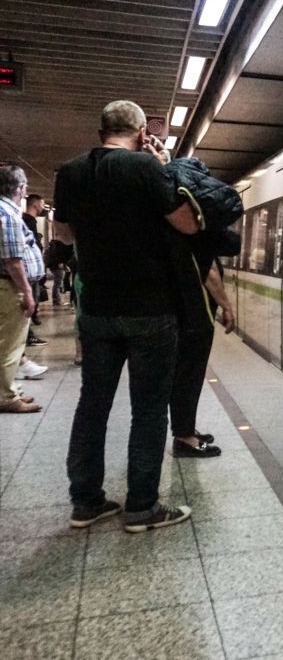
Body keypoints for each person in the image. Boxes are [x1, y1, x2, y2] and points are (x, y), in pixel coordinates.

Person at [54, 100, 199, 532]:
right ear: (141, 133)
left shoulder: (70, 171)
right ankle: (141, 507)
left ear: (101, 131)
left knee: (92, 404)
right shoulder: (147, 167)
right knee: (149, 409)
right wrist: (165, 168)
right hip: (150, 308)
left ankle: (86, 502)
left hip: (97, 307)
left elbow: (64, 235)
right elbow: (188, 224)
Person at [169, 253, 235, 458]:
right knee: (189, 376)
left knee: (187, 374)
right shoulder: (195, 239)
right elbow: (210, 273)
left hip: (188, 316)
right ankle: (185, 438)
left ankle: (186, 430)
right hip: (194, 318)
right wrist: (226, 306)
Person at [0, 164, 45, 413]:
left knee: (8, 342)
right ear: (19, 188)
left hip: (8, 284)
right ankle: (6, 396)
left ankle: (10, 389)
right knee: (10, 344)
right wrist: (27, 292)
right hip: (9, 286)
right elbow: (13, 261)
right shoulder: (6, 214)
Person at [22, 193, 48, 344]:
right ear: (35, 204)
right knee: (31, 300)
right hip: (29, 270)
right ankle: (27, 336)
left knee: (34, 299)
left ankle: (27, 334)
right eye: (42, 204)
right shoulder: (27, 221)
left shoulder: (29, 220)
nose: (43, 208)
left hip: (31, 270)